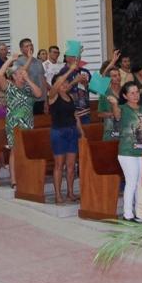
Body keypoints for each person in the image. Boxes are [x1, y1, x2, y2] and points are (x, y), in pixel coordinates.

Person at [109, 81, 142, 222]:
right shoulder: (122, 108)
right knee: (131, 181)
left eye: (137, 92)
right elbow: (117, 116)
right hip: (128, 151)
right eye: (132, 93)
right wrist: (114, 104)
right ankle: (127, 213)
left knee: (141, 182)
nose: (135, 95)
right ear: (125, 95)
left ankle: (140, 212)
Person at [0, 53, 44, 188]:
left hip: (28, 123)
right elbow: (0, 74)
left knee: (26, 150)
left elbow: (39, 94)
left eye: (23, 73)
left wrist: (28, 79)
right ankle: (14, 180)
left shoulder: (27, 88)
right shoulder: (9, 88)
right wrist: (11, 60)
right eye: (19, 73)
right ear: (13, 76)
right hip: (14, 124)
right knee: (14, 150)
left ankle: (25, 175)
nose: (22, 75)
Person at [47, 66, 84, 202]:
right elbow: (56, 85)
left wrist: (81, 131)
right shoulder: (53, 96)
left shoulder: (69, 96)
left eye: (66, 82)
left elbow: (75, 115)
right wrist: (69, 70)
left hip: (72, 132)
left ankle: (70, 192)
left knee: (70, 165)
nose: (65, 84)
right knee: (59, 165)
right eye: (62, 82)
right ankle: (58, 194)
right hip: (59, 132)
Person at [15, 39, 47, 114]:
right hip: (27, 99)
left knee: (40, 123)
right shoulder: (18, 61)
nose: (30, 48)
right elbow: (21, 74)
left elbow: (43, 81)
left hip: (40, 99)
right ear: (21, 49)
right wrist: (29, 58)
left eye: (31, 45)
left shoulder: (38, 62)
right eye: (27, 46)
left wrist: (46, 100)